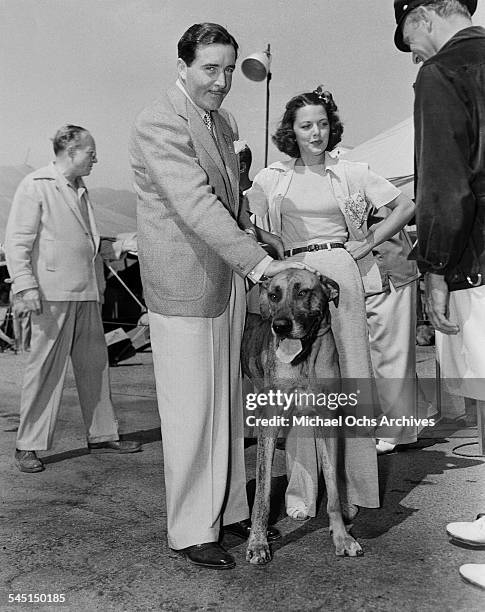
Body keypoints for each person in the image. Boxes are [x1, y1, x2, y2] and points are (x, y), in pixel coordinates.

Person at [130, 22, 310, 570]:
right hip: (183, 288)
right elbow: (197, 206)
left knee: (226, 408)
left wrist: (258, 233)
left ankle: (227, 507)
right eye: (211, 68)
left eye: (230, 69)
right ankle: (190, 529)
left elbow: (230, 202)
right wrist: (261, 264)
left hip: (226, 284)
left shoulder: (223, 120)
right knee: (190, 412)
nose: (223, 80)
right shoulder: (160, 121)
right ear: (182, 66)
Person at [246, 87, 415, 521]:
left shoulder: (353, 172)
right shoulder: (272, 177)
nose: (316, 132)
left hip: (342, 273)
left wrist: (366, 243)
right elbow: (243, 214)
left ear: (331, 126)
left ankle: (355, 489)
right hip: (293, 277)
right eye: (306, 125)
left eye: (322, 123)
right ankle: (302, 493)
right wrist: (269, 244)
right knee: (297, 389)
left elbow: (406, 205)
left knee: (350, 381)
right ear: (292, 131)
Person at [393, 0, 485, 590]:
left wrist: (433, 269)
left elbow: (444, 184)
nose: (413, 51)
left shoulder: (444, 71)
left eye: (409, 36)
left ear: (423, 14)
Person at [5, 125, 142, 475]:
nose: (96, 158)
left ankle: (102, 435)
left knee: (94, 368)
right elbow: (17, 244)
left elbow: (87, 245)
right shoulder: (36, 186)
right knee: (45, 371)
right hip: (51, 295)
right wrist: (25, 286)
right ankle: (28, 445)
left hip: (86, 293)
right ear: (69, 151)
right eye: (90, 151)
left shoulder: (80, 189)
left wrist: (125, 244)